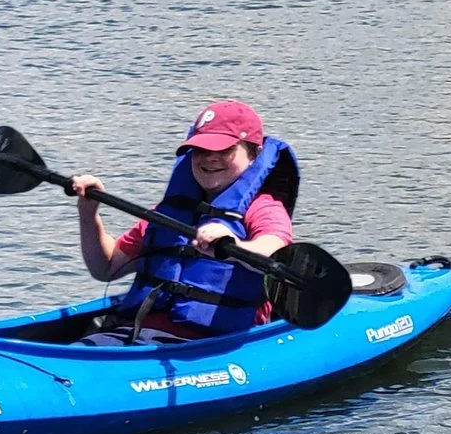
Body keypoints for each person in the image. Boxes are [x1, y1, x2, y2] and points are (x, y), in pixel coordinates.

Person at [68, 100, 299, 344]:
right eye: (201, 150)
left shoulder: (264, 208)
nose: (210, 158)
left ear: (254, 153)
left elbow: (276, 253)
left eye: (224, 150)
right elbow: (106, 267)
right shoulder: (170, 212)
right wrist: (89, 214)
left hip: (205, 348)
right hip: (136, 337)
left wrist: (231, 246)